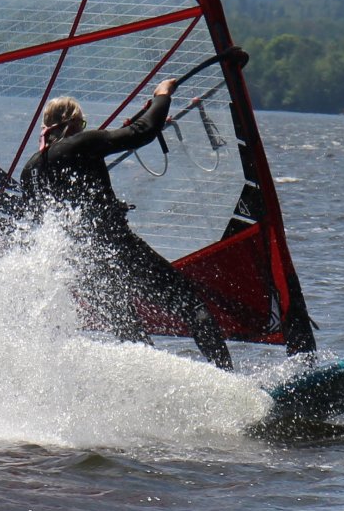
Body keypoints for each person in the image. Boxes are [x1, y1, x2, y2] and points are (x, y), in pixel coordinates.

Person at [20, 79, 233, 368]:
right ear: (75, 123)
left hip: (83, 266)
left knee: (130, 332)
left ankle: (154, 390)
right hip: (117, 248)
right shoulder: (83, 142)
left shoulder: (31, 169)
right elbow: (143, 131)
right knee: (190, 304)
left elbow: (35, 222)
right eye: (82, 124)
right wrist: (162, 95)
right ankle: (228, 378)